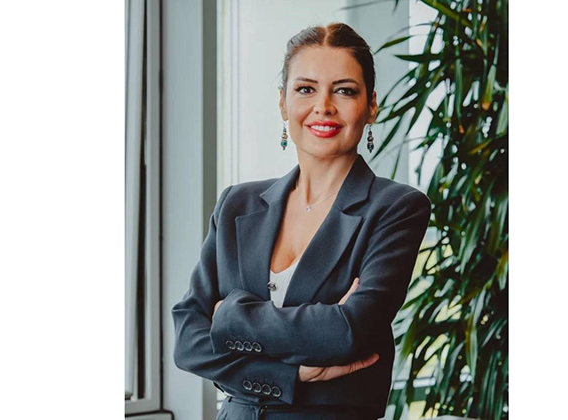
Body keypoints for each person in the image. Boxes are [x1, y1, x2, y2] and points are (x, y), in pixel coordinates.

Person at [172, 22, 432, 420]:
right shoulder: (236, 204)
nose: (323, 106)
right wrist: (289, 375)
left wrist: (230, 316)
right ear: (283, 103)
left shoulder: (396, 208)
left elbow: (350, 331)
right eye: (306, 89)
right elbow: (188, 340)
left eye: (344, 90)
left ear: (371, 106)